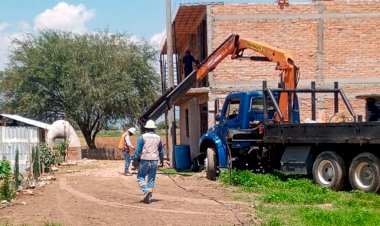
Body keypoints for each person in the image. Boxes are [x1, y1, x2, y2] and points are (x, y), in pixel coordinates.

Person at [132, 119, 164, 204]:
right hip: (154, 160)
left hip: (145, 159)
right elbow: (161, 151)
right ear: (154, 129)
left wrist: (135, 160)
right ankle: (149, 197)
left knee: (140, 177)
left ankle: (146, 190)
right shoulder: (158, 138)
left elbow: (138, 150)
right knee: (151, 179)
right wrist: (162, 160)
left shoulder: (142, 137)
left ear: (146, 128)